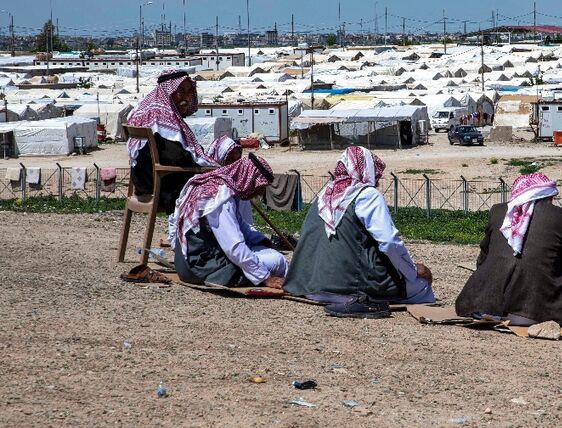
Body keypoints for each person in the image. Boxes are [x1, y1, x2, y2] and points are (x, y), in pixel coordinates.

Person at [283, 146, 435, 313]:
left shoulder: (323, 195)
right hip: (348, 289)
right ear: (367, 170)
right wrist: (412, 272)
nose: (377, 181)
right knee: (422, 289)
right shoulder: (367, 195)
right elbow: (390, 243)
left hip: (309, 287)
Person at [455, 173, 562, 326]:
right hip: (532, 314)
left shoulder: (498, 211)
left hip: (482, 307)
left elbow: (482, 260)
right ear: (548, 196)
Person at [171, 153, 288, 288]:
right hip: (202, 267)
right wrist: (265, 277)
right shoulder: (220, 197)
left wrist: (263, 241)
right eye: (260, 187)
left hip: (184, 261)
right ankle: (297, 286)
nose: (260, 193)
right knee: (278, 260)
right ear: (249, 180)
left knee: (266, 251)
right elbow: (234, 246)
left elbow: (242, 227)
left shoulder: (211, 185)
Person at [127, 69, 216, 212]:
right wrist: (202, 165)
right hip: (161, 185)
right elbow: (176, 156)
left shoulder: (147, 109)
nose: (187, 98)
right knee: (221, 190)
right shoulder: (160, 116)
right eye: (181, 91)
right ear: (168, 91)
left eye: (189, 91)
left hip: (145, 181)